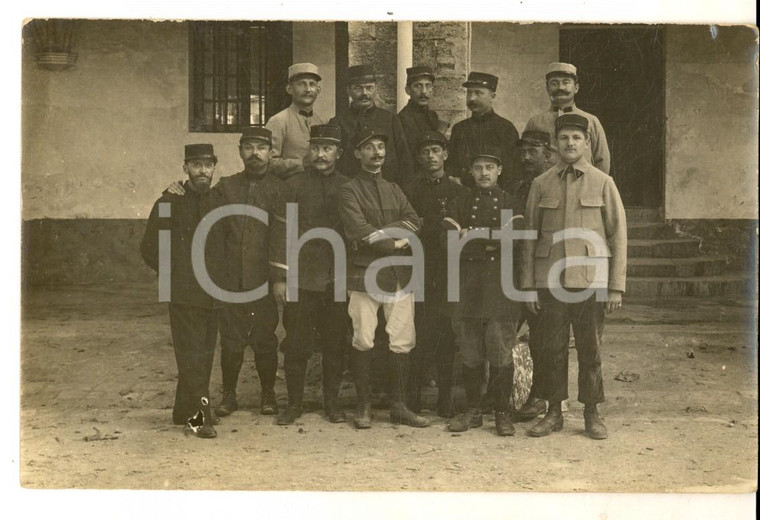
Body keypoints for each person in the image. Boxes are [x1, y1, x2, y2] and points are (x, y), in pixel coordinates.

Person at [167, 128, 291, 418]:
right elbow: (201, 203)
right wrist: (179, 187)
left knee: (265, 339)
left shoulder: (280, 189)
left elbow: (283, 235)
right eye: (249, 147)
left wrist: (279, 278)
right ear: (239, 151)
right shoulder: (226, 187)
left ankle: (268, 394)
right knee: (231, 340)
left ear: (271, 152)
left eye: (262, 147)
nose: (255, 154)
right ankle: (229, 394)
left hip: (263, 280)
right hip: (229, 280)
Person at [521, 113, 626, 440]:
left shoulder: (603, 183)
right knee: (551, 348)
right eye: (564, 138)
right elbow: (528, 236)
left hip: (590, 280)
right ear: (555, 144)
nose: (570, 143)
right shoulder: (542, 184)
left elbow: (618, 235)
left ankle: (592, 412)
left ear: (587, 143)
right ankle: (554, 412)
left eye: (576, 138)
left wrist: (616, 287)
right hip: (550, 281)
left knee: (589, 349)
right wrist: (527, 285)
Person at [338, 127, 429, 430]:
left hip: (398, 273)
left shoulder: (394, 188)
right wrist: (395, 240)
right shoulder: (349, 189)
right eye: (369, 148)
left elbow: (414, 221)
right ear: (356, 154)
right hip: (364, 273)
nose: (377, 153)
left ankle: (399, 406)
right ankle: (363, 406)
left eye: (380, 148)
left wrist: (385, 234)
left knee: (403, 339)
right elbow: (359, 229)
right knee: (363, 337)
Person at [140, 144, 224, 438]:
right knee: (191, 353)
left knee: (203, 353)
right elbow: (149, 248)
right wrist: (175, 274)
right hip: (184, 292)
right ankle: (199, 418)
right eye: (196, 164)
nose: (202, 170)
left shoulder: (219, 200)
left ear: (215, 167)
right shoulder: (169, 202)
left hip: (213, 293)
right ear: (185, 168)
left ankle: (181, 411)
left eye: (208, 164)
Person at [442, 145, 523, 437]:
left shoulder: (510, 202)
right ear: (471, 172)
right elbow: (448, 238)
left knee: (499, 348)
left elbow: (512, 239)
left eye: (489, 167)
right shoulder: (460, 200)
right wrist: (489, 239)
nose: (483, 173)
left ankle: (502, 413)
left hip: (499, 287)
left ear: (499, 170)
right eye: (478, 168)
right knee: (470, 349)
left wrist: (471, 235)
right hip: (466, 285)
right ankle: (473, 410)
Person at [277, 125, 352, 425]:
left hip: (336, 277)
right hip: (301, 277)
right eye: (316, 148)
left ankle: (331, 404)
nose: (321, 155)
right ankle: (294, 404)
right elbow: (282, 232)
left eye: (328, 148)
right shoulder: (294, 186)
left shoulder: (349, 186)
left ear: (339, 153)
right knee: (296, 343)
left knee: (335, 342)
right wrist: (280, 277)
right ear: (309, 151)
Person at [403, 131, 468, 418]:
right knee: (417, 335)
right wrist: (435, 224)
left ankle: (445, 401)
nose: (431, 156)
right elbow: (406, 225)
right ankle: (413, 401)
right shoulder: (409, 190)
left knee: (446, 336)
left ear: (445, 155)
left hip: (448, 272)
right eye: (425, 151)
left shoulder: (459, 192)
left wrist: (427, 225)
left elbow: (460, 231)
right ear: (419, 157)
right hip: (417, 268)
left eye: (436, 150)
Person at [509, 129, 555, 422]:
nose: (526, 157)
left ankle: (541, 397)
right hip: (512, 270)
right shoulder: (516, 187)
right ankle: (504, 394)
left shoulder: (552, 187)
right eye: (523, 151)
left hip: (543, 272)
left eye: (533, 151)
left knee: (543, 338)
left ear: (547, 154)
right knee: (505, 332)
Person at [329, 64, 414, 189]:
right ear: (349, 90)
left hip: (387, 189)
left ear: (376, 89)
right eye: (358, 88)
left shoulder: (390, 120)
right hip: (351, 192)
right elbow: (333, 164)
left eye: (369, 88)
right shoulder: (338, 122)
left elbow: (404, 160)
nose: (364, 93)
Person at [524, 62, 610, 174]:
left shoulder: (591, 121)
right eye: (554, 83)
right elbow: (526, 156)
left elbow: (602, 160)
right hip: (547, 187)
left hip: (582, 187)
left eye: (566, 82)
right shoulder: (535, 122)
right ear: (547, 88)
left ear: (576, 88)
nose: (560, 87)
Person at [447, 71, 519, 190]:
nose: (472, 98)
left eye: (478, 93)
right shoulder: (459, 128)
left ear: (492, 96)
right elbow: (452, 166)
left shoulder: (505, 128)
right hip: (463, 197)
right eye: (469, 93)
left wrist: (506, 208)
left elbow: (511, 173)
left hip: (496, 200)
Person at [266, 63, 326, 180]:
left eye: (312, 84)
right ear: (289, 89)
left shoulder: (322, 121)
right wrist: (301, 163)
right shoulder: (278, 121)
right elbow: (267, 162)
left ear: (318, 90)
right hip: (288, 190)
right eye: (301, 84)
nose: (308, 89)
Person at [397, 65, 448, 152]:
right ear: (408, 90)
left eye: (428, 86)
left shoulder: (433, 116)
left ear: (432, 90)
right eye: (418, 86)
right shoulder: (400, 120)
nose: (424, 91)